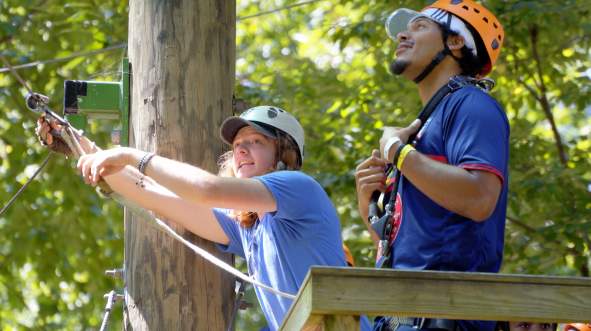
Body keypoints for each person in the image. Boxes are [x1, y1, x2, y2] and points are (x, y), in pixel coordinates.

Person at [37, 105, 370, 331]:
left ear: (284, 154)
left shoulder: (297, 188)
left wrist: (132, 155)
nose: (242, 149)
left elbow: (206, 189)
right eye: (238, 144)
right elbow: (155, 195)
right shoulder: (250, 228)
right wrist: (81, 147)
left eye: (256, 142)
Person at [354, 0, 508, 330]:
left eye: (419, 27)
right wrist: (367, 205)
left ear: (455, 42)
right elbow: (408, 254)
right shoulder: (425, 126)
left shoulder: (472, 106)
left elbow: (479, 199)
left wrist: (399, 153)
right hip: (402, 318)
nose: (402, 37)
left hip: (445, 319)